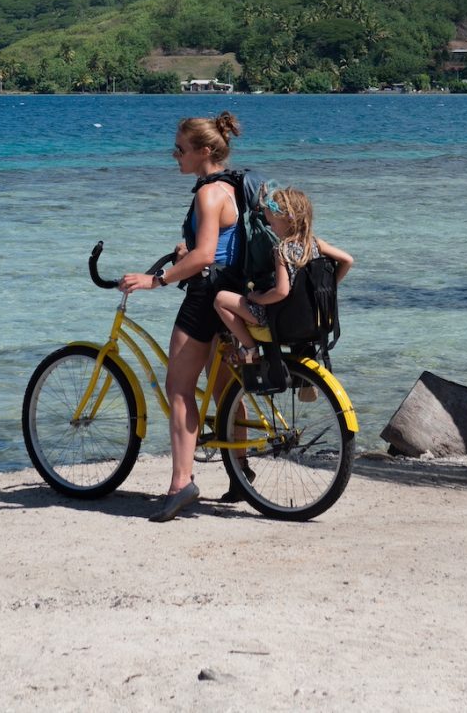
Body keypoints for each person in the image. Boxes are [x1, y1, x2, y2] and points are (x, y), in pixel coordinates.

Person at [117, 111, 244, 522]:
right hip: (231, 291)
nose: (174, 155)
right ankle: (241, 476)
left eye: (180, 149)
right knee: (225, 391)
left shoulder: (208, 194)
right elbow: (222, 246)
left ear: (204, 151)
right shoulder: (233, 187)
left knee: (179, 389)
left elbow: (207, 256)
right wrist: (186, 250)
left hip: (205, 296)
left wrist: (157, 280)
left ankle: (180, 484)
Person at [215, 186, 356, 360]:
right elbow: (348, 260)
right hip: (310, 317)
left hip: (280, 319)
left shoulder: (282, 250)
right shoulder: (315, 243)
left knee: (221, 299)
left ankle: (250, 349)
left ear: (288, 221)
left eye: (273, 224)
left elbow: (281, 291)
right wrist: (328, 287)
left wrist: (256, 298)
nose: (272, 229)